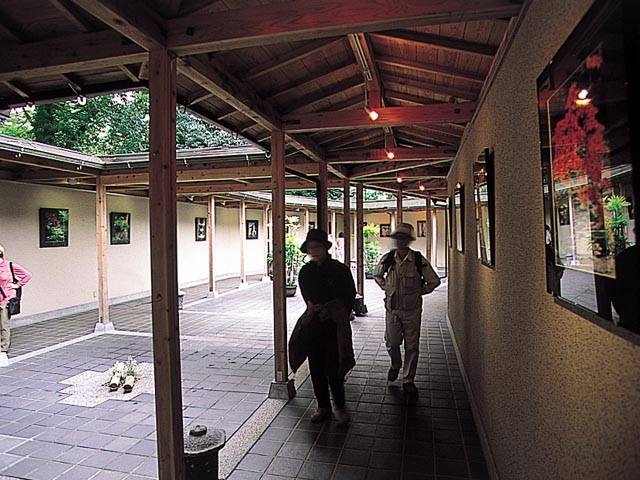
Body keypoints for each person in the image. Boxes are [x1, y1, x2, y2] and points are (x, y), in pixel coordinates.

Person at [292, 229, 356, 424]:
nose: (314, 251)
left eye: (317, 247)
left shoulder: (340, 269)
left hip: (334, 324)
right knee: (316, 367)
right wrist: (315, 307)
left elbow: (349, 294)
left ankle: (340, 405)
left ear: (325, 248)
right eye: (310, 248)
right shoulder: (306, 271)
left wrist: (335, 309)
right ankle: (323, 406)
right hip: (314, 323)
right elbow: (308, 296)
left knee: (334, 367)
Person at [373, 223, 440, 395]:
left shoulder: (417, 260)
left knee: (412, 346)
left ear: (408, 241)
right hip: (393, 310)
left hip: (412, 311)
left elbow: (434, 281)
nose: (399, 241)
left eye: (403, 238)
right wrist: (387, 288)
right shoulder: (388, 258)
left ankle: (408, 379)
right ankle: (395, 364)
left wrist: (419, 292)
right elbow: (377, 274)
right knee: (392, 342)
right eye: (397, 238)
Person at [0, 244, 32, 353]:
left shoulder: (9, 265)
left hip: (6, 299)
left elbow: (27, 275)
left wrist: (17, 285)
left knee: (4, 324)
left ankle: (3, 348)